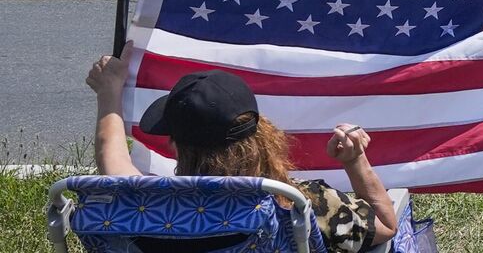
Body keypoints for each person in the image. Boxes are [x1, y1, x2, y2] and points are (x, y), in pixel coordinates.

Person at [86, 45, 398, 253]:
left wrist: (109, 93)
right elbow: (385, 226)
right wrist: (355, 160)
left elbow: (113, 164)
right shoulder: (296, 205)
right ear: (262, 135)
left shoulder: (145, 208)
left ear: (177, 145)